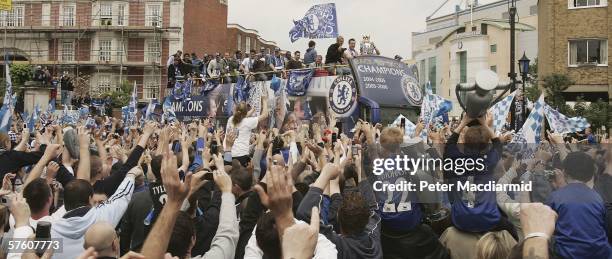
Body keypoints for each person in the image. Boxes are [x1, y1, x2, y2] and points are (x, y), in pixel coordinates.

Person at [546, 151, 611, 258]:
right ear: (590, 175)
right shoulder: (598, 197)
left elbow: (547, 229)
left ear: (564, 172)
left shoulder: (555, 197)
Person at [225, 98, 268, 167]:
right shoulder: (248, 122)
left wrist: (252, 110)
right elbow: (265, 114)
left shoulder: (231, 119)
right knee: (240, 176)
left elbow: (241, 117)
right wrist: (264, 100)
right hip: (241, 155)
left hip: (228, 153)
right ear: (245, 113)